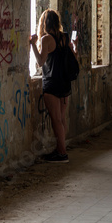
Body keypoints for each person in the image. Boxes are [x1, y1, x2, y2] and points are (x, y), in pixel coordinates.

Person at [30, 9, 77, 163]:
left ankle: (62, 153)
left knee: (55, 119)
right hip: (64, 83)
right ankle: (61, 149)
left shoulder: (46, 39)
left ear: (44, 23)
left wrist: (32, 45)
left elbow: (40, 62)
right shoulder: (65, 37)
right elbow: (73, 56)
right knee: (61, 119)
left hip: (51, 83)